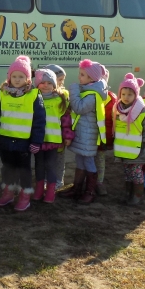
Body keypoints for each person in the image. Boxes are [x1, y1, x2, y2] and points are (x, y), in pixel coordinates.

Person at [0, 55, 46, 212]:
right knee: (7, 167)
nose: (17, 80)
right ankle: (8, 193)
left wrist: (36, 141)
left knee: (24, 169)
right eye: (14, 76)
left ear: (28, 78)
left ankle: (25, 196)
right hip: (5, 140)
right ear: (9, 77)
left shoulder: (34, 95)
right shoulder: (1, 94)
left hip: (24, 142)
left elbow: (39, 121)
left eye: (21, 77)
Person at [61, 59, 108, 203]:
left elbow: (79, 108)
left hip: (88, 135)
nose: (79, 77)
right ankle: (77, 189)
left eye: (82, 75)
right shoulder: (88, 90)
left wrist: (74, 91)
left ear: (91, 78)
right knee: (80, 160)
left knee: (88, 161)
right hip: (83, 133)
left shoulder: (93, 95)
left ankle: (90, 191)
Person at [32, 68, 73, 204]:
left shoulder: (59, 100)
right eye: (42, 82)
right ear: (37, 84)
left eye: (49, 83)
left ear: (54, 85)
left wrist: (67, 136)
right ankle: (39, 189)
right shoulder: (33, 99)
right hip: (38, 140)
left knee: (51, 165)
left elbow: (66, 120)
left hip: (53, 140)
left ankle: (50, 191)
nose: (46, 85)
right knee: (39, 165)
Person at [113, 74, 145, 206]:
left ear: (136, 95)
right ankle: (128, 194)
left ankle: (136, 196)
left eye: (130, 94)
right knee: (127, 173)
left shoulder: (143, 112)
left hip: (138, 150)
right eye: (123, 94)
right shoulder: (118, 110)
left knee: (136, 173)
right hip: (124, 149)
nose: (126, 97)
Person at [95, 68, 118, 197]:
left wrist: (109, 139)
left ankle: (99, 182)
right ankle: (88, 182)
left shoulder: (111, 98)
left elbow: (112, 121)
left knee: (100, 160)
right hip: (89, 136)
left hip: (103, 137)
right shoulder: (88, 95)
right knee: (86, 160)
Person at [46, 64, 69, 189]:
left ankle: (59, 180)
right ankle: (48, 179)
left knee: (59, 159)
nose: (62, 83)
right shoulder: (41, 95)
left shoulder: (63, 95)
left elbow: (66, 118)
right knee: (47, 160)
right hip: (46, 136)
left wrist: (67, 135)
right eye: (60, 80)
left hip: (59, 136)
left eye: (62, 80)